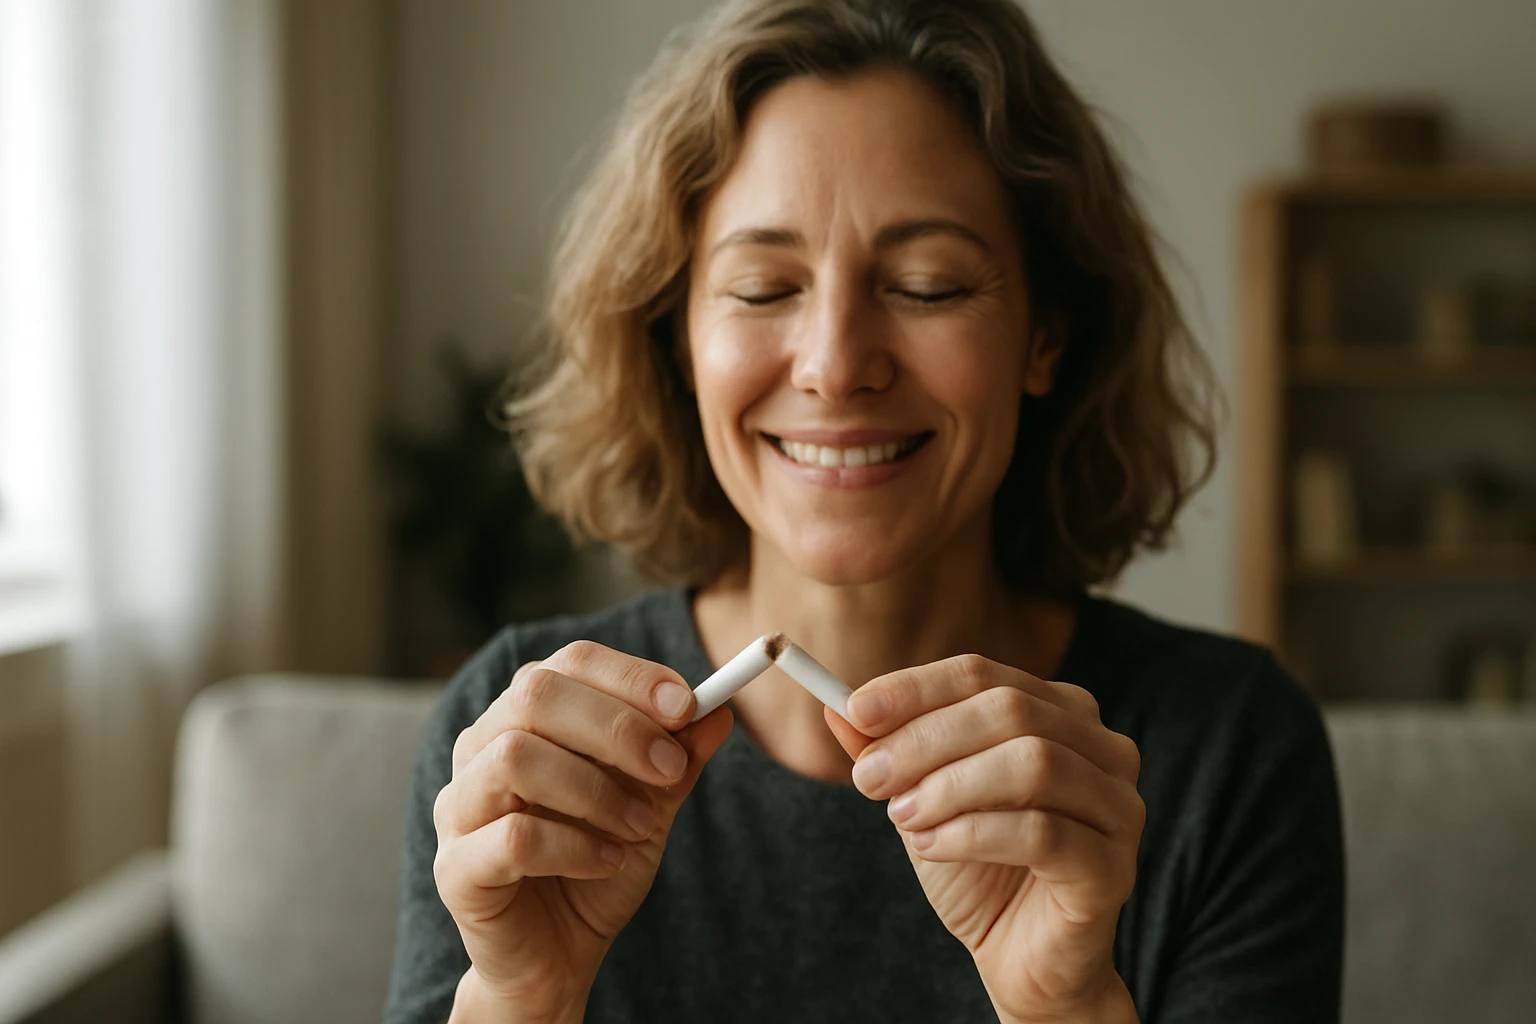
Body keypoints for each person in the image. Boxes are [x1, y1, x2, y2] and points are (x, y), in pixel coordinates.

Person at [382, 0, 1344, 1021]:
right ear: (676, 338)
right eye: (760, 288)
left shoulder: (1226, 748)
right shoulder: (517, 745)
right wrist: (520, 996)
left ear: (1044, 335)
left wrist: (1068, 1006)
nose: (836, 365)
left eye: (927, 285)